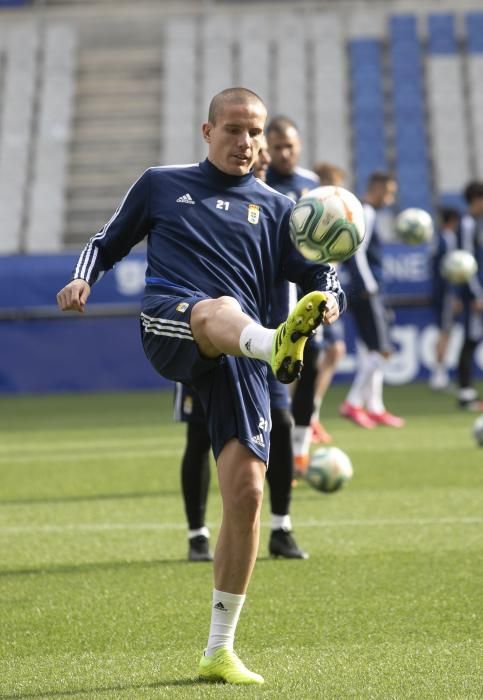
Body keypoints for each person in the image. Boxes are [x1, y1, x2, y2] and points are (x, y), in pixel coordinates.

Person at [56, 87, 345, 686]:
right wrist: (81, 280)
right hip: (174, 320)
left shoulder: (276, 208)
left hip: (238, 356)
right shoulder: (160, 183)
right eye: (235, 130)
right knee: (216, 308)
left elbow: (321, 272)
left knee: (246, 496)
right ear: (206, 130)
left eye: (255, 132)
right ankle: (274, 345)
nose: (247, 142)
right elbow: (103, 242)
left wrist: (332, 299)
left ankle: (219, 649)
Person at [177, 139, 308, 562]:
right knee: (199, 433)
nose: (261, 155)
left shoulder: (282, 211)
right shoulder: (211, 205)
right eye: (260, 148)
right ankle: (197, 533)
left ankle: (281, 528)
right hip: (216, 338)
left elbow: (307, 274)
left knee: (283, 425)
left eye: (268, 149)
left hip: (274, 344)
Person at [339, 171, 404, 429]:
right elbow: (356, 252)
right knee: (383, 350)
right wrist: (368, 286)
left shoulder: (367, 211)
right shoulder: (366, 211)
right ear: (376, 190)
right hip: (367, 289)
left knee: (370, 349)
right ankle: (353, 402)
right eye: (388, 193)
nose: (390, 199)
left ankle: (375, 406)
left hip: (367, 287)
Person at [456, 181, 483, 410]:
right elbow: (465, 262)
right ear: (477, 199)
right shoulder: (466, 224)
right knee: (471, 339)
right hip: (477, 296)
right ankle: (465, 393)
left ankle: (468, 391)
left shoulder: (475, 222)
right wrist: (476, 294)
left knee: (473, 340)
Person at [428, 207, 460, 391]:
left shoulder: (437, 238)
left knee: (444, 331)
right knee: (445, 332)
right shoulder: (448, 238)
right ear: (453, 221)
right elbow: (450, 269)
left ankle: (440, 374)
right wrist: (454, 294)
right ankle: (439, 376)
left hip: (438, 291)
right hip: (446, 293)